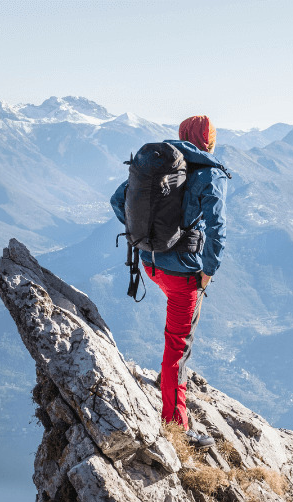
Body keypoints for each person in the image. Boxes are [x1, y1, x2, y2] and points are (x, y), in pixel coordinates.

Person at [110, 115, 230, 448]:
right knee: (177, 345)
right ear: (209, 142)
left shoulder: (155, 164)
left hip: (150, 265)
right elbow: (218, 228)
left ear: (182, 136)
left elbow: (117, 200)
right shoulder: (210, 174)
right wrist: (209, 269)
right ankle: (177, 427)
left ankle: (168, 383)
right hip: (183, 274)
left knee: (178, 337)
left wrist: (145, 239)